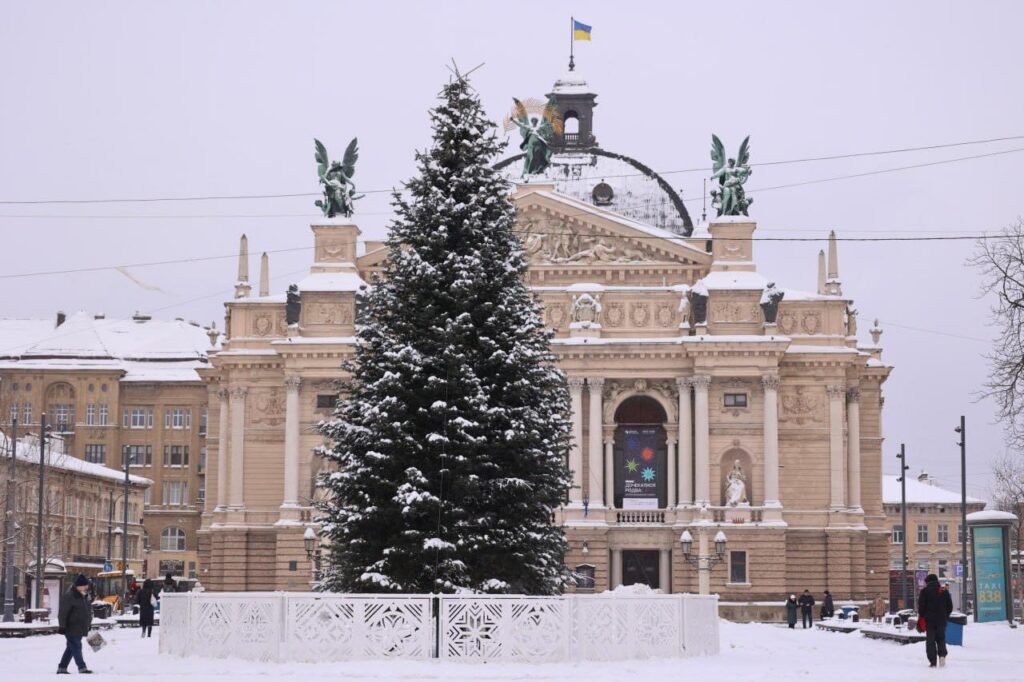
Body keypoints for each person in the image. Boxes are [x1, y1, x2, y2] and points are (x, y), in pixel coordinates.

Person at [57, 574, 93, 675]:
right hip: (71, 627)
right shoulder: (69, 596)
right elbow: (62, 613)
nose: (86, 587)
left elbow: (87, 612)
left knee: (71, 648)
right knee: (76, 647)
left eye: (86, 586)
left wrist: (88, 623)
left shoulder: (84, 596)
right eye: (84, 586)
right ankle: (82, 667)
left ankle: (62, 668)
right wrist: (62, 626)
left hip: (80, 627)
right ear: (78, 586)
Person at [917, 574, 953, 668]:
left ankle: (933, 662)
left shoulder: (924, 591)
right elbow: (950, 606)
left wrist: (922, 616)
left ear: (928, 582)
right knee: (941, 638)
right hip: (941, 620)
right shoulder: (944, 591)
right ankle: (942, 656)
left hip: (929, 620)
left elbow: (921, 607)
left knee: (930, 641)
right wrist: (945, 616)